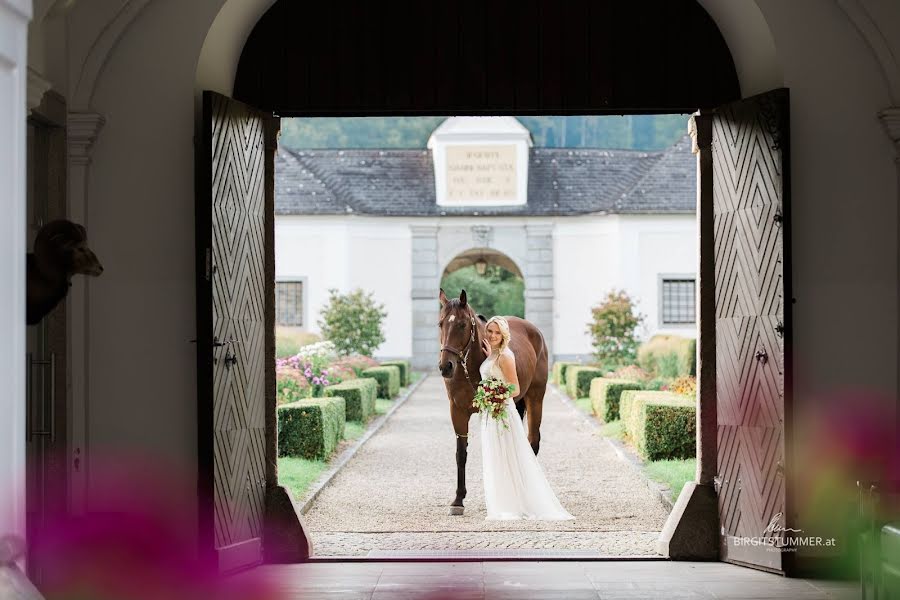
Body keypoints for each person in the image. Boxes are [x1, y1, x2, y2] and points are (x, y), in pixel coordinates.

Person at [478, 316, 574, 521]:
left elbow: (515, 388)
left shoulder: (505, 356)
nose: (493, 336)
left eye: (497, 332)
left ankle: (517, 503)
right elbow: (493, 373)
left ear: (504, 334)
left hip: (502, 411)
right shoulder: (493, 355)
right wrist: (489, 358)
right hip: (492, 413)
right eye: (490, 331)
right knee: (496, 457)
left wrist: (492, 395)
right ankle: (502, 501)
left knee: (508, 456)